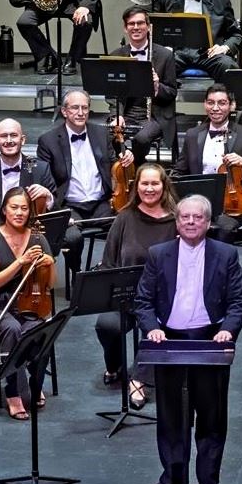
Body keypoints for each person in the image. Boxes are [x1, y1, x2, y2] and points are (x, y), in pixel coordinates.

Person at [136, 194, 242, 484]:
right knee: (171, 414)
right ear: (176, 221)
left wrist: (227, 330)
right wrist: (153, 329)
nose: (190, 222)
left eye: (197, 217)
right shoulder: (158, 254)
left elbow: (239, 301)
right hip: (168, 339)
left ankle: (209, 479)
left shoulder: (225, 254)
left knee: (211, 414)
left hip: (209, 338)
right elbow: (143, 301)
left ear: (208, 222)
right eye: (185, 217)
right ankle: (172, 476)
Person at [95, 163, 178, 412]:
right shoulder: (125, 217)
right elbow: (109, 260)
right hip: (126, 296)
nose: (149, 188)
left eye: (155, 183)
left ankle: (139, 379)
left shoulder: (176, 220)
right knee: (106, 326)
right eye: (145, 183)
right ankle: (115, 365)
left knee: (153, 330)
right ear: (136, 186)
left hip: (162, 299)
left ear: (164, 187)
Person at [0, 187, 54, 420]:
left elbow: (49, 283)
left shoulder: (38, 237)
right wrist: (21, 261)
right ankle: (13, 392)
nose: (19, 212)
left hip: (29, 305)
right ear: (4, 209)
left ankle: (35, 383)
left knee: (41, 331)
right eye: (14, 207)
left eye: (24, 208)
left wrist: (49, 264)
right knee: (12, 329)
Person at [37, 88, 127, 280]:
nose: (80, 112)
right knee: (72, 238)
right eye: (75, 108)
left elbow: (114, 165)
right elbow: (46, 180)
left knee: (126, 227)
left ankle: (109, 272)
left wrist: (125, 158)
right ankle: (77, 275)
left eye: (84, 108)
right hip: (70, 206)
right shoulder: (48, 141)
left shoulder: (101, 133)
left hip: (101, 203)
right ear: (64, 111)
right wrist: (58, 211)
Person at [177, 84, 242, 243]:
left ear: (232, 106)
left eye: (222, 103)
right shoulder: (192, 135)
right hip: (198, 203)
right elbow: (179, 172)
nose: (215, 108)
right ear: (205, 104)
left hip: (233, 206)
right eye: (210, 103)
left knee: (224, 228)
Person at [0, 118, 55, 246]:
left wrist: (48, 198)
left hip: (30, 238)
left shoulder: (41, 169)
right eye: (3, 136)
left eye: (13, 135)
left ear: (23, 139)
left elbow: (56, 212)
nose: (9, 141)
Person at [155, 0, 242, 80]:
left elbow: (236, 34)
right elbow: (156, 31)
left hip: (209, 53)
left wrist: (224, 47)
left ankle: (226, 100)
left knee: (228, 66)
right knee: (159, 66)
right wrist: (165, 49)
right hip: (177, 53)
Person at [109, 4, 178, 162]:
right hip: (126, 112)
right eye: (131, 24)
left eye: (140, 23)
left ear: (148, 27)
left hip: (155, 115)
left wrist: (157, 86)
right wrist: (117, 115)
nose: (136, 27)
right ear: (125, 29)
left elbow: (172, 93)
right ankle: (128, 169)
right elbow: (112, 94)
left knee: (141, 139)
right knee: (109, 134)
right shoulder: (117, 55)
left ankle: (135, 164)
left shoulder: (165, 55)